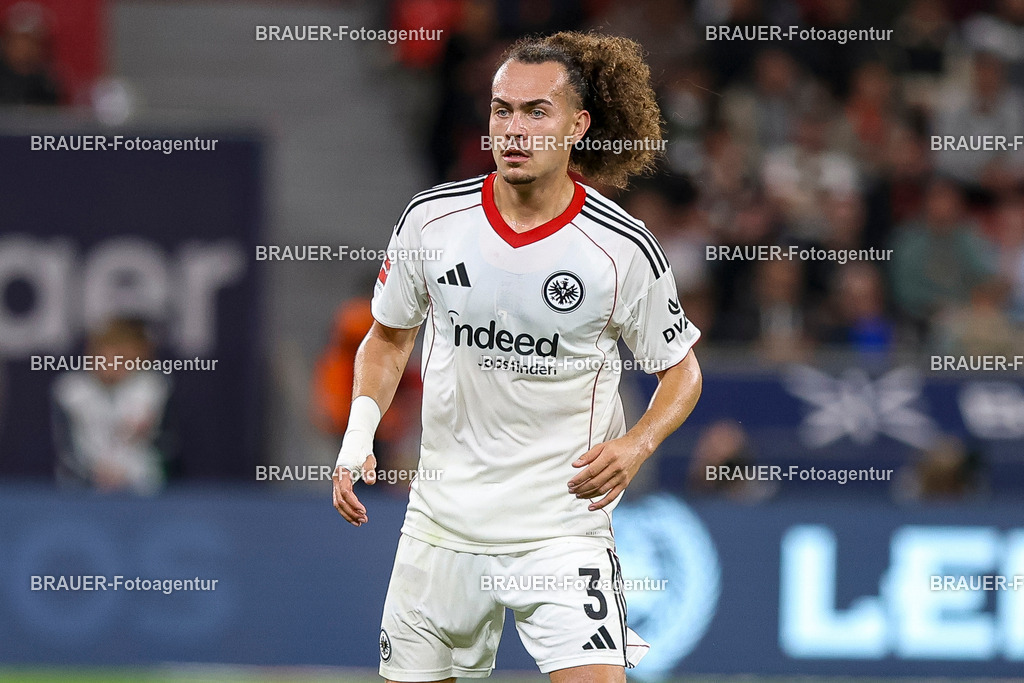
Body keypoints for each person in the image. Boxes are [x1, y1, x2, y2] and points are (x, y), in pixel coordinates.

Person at [331, 31, 703, 683]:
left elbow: (682, 370)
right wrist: (358, 436)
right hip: (442, 528)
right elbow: (387, 338)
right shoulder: (432, 222)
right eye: (503, 110)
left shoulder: (621, 249)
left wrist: (637, 444)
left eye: (537, 111)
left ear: (577, 126)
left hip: (561, 531)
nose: (515, 128)